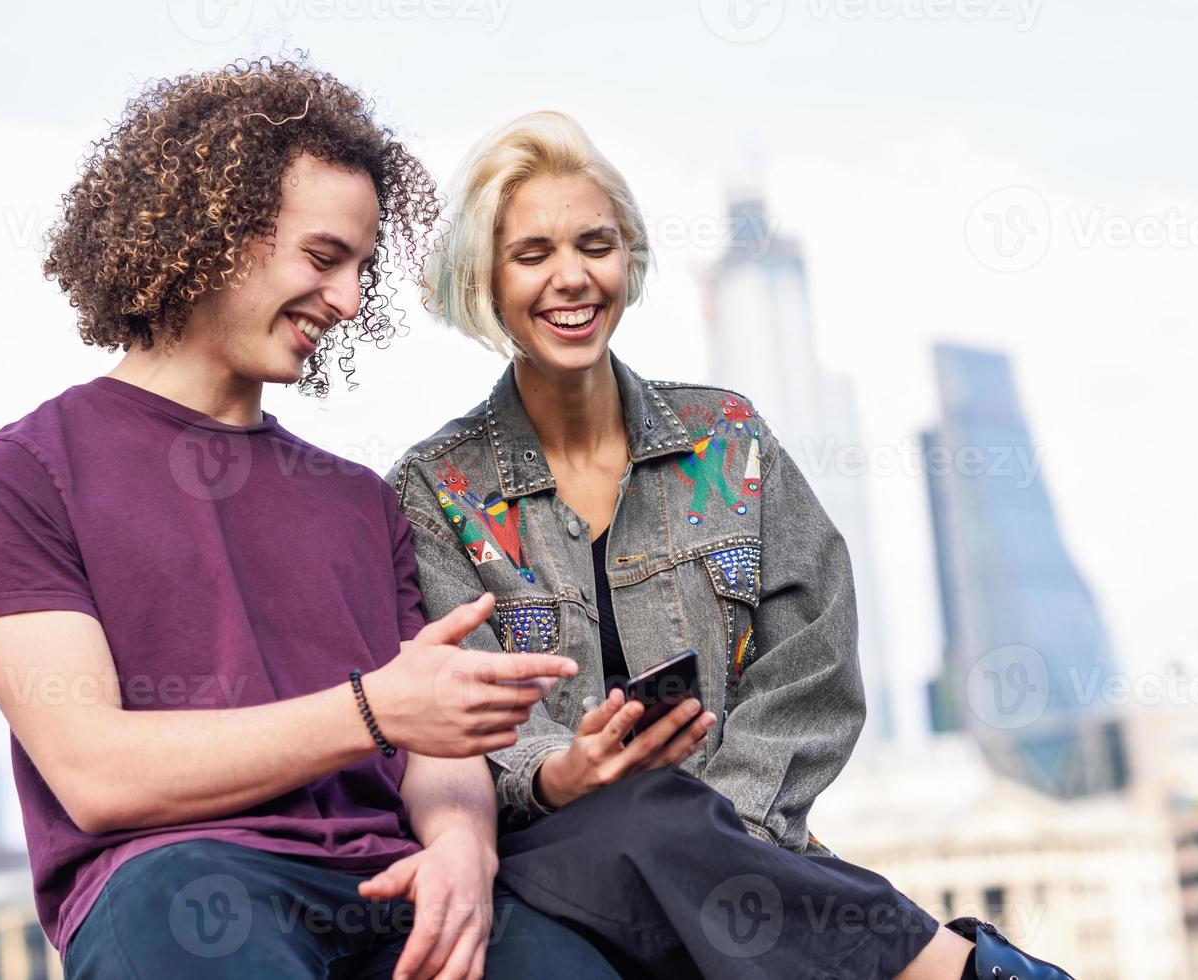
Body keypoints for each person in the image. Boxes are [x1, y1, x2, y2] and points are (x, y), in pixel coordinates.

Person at [0, 60, 619, 980]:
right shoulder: (28, 476)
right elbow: (96, 775)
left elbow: (436, 738)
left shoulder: (362, 502)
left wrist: (461, 846)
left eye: (362, 269)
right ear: (206, 236)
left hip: (386, 888)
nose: (347, 300)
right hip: (179, 888)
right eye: (324, 259)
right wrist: (370, 710)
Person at [389, 110, 1075, 980]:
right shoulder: (435, 490)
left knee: (654, 821)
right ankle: (962, 969)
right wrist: (558, 774)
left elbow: (813, 667)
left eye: (594, 244)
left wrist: (716, 832)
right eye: (532, 255)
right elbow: (452, 713)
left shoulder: (728, 438)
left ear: (628, 260)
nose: (571, 278)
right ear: (482, 280)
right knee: (636, 820)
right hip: (549, 857)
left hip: (733, 849)